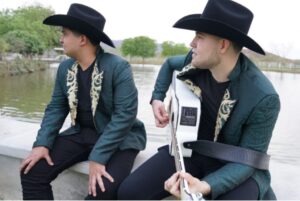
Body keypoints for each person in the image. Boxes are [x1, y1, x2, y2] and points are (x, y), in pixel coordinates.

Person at [118, 0, 280, 200]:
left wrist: (205, 185)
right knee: (129, 192)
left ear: (222, 45)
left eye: (200, 37)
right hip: (189, 152)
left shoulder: (264, 97)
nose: (191, 43)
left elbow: (248, 160)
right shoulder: (195, 61)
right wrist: (157, 98)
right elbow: (169, 64)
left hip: (236, 167)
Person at [20, 3, 146, 200]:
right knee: (31, 171)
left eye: (65, 33)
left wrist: (98, 156)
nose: (60, 39)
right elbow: (56, 108)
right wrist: (42, 143)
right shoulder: (65, 68)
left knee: (102, 191)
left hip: (120, 138)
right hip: (81, 133)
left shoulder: (118, 67)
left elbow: (125, 116)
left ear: (83, 40)